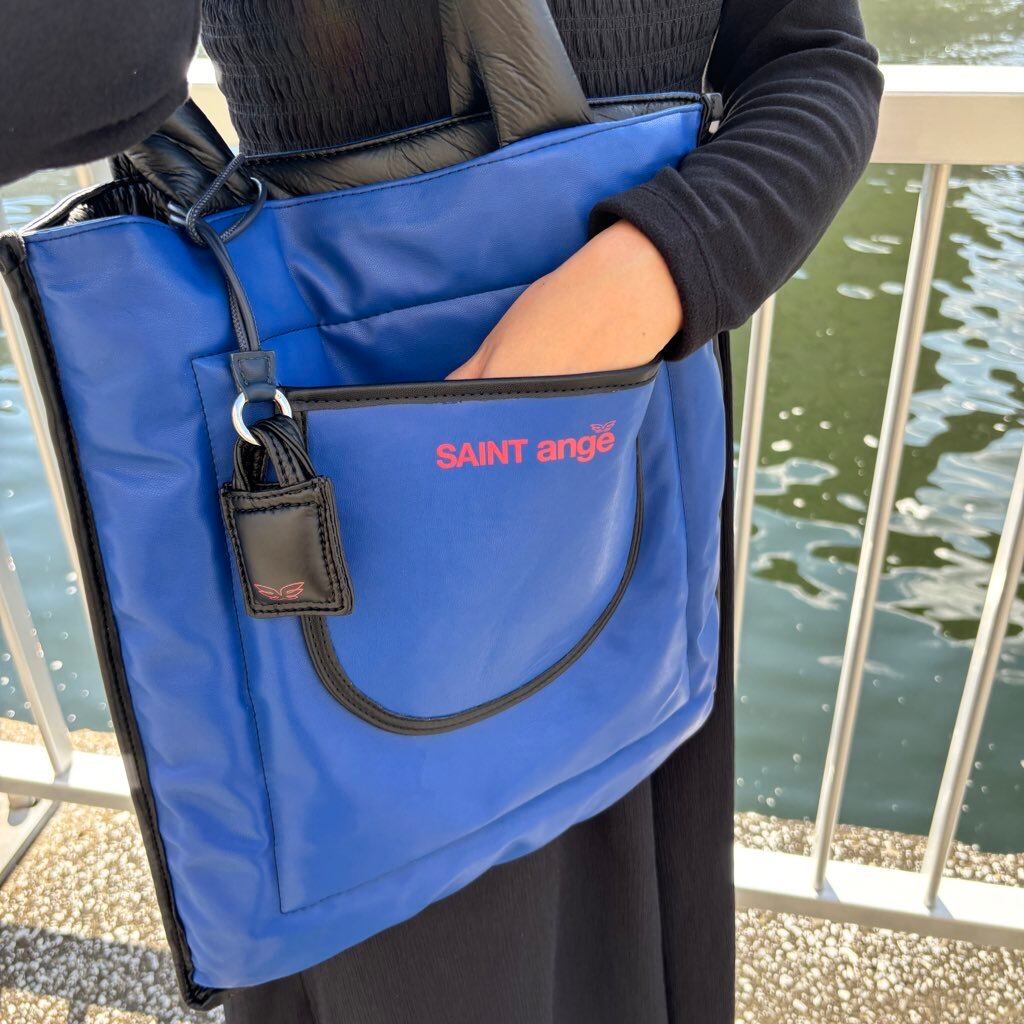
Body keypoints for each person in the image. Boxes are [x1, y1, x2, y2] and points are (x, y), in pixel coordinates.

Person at [0, 2, 881, 1020]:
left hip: (626, 480)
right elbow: (74, 75)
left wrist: (643, 278)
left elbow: (818, 62)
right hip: (387, 539)